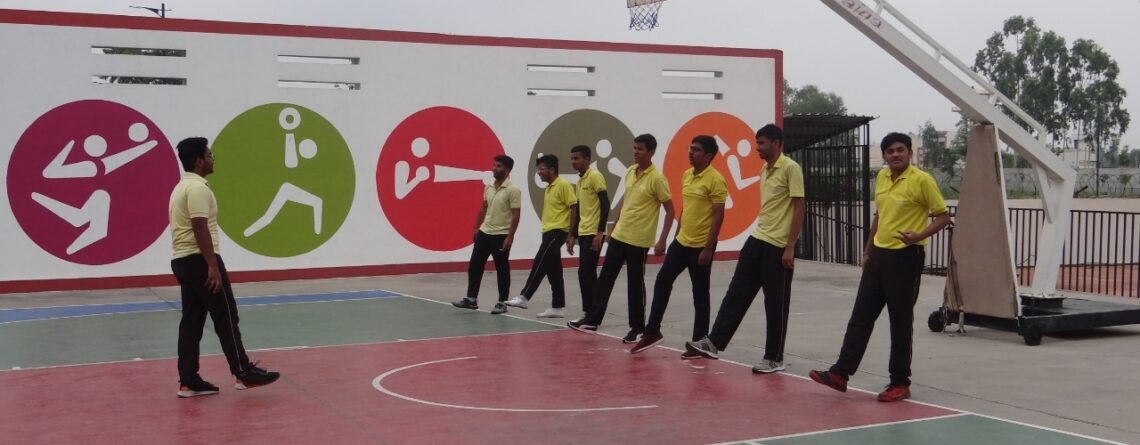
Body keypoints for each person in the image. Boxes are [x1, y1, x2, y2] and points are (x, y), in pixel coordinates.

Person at [809, 132, 950, 402]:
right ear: (884, 156)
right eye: (890, 151)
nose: (895, 155)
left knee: (900, 322)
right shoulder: (882, 177)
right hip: (879, 256)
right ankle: (840, 373)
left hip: (906, 256)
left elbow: (942, 217)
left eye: (900, 150)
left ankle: (900, 382)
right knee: (860, 316)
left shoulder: (922, 180)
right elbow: (880, 216)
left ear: (909, 153)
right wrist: (867, 250)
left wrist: (918, 236)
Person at [684, 124, 805, 370]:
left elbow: (799, 206)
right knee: (736, 293)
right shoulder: (765, 169)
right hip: (757, 239)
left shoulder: (791, 168)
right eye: (756, 142)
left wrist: (790, 246)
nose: (757, 147)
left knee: (775, 304)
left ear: (776, 143)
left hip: (778, 246)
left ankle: (774, 358)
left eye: (761, 143)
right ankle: (714, 342)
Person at [169, 137, 280, 398]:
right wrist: (212, 266)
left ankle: (188, 380)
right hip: (199, 259)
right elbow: (199, 226)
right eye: (209, 154)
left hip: (182, 260)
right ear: (199, 161)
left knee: (192, 322)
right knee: (226, 315)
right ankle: (243, 372)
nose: (212, 158)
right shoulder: (198, 189)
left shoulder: (180, 187)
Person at [568, 134, 674, 343]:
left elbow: (670, 210)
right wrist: (611, 229)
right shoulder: (630, 171)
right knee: (605, 279)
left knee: (635, 284)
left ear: (651, 152)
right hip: (619, 235)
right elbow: (626, 204)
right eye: (634, 148)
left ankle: (637, 328)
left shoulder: (657, 178)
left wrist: (662, 239)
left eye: (640, 149)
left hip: (639, 239)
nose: (635, 152)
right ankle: (592, 320)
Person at [631, 135, 727, 354]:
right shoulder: (686, 175)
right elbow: (685, 208)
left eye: (696, 150)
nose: (690, 152)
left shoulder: (716, 180)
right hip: (681, 242)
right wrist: (675, 235)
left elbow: (719, 215)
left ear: (708, 156)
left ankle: (699, 341)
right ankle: (652, 331)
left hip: (701, 246)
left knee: (700, 293)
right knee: (662, 281)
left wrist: (708, 248)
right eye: (690, 148)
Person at [505, 154, 578, 317]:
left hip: (558, 231)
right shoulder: (549, 188)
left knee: (540, 262)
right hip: (548, 232)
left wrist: (571, 234)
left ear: (552, 170)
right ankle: (557, 307)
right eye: (538, 169)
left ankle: (524, 297)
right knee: (554, 270)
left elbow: (574, 207)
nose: (539, 172)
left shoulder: (563, 185)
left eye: (542, 169)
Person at [452, 155, 521, 315]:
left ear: (507, 170)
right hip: (485, 232)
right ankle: (471, 299)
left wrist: (510, 237)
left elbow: (516, 214)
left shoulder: (513, 190)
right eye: (494, 165)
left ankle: (502, 302)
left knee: (502, 269)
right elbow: (483, 208)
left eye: (498, 166)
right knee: (475, 265)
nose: (494, 168)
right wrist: (477, 228)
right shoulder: (489, 187)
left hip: (501, 235)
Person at [565, 145, 610, 317]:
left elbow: (605, 204)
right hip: (584, 232)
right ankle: (592, 311)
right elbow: (579, 210)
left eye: (577, 158)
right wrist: (572, 235)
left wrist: (600, 232)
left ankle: (591, 312)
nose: (573, 162)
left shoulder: (595, 176)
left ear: (587, 159)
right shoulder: (580, 181)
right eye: (572, 158)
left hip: (593, 233)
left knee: (585, 272)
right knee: (587, 273)